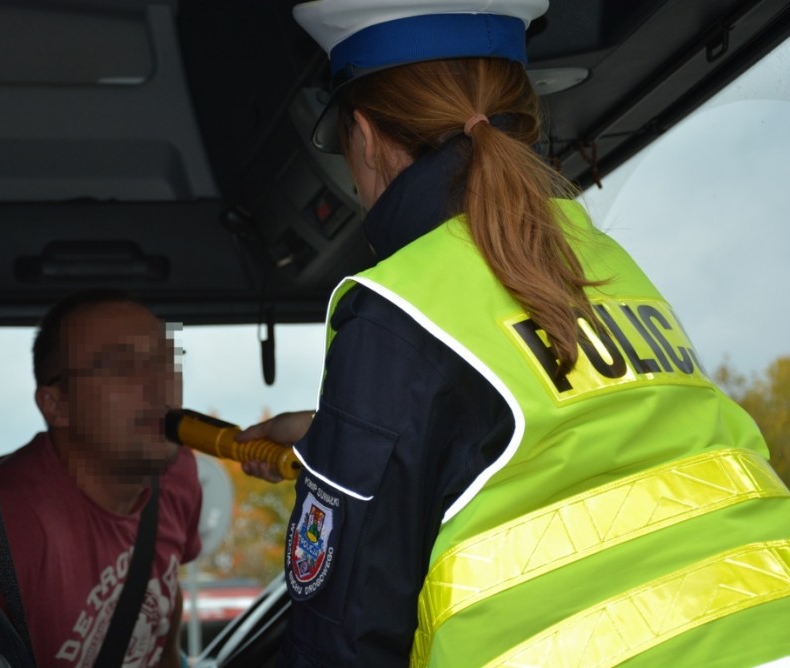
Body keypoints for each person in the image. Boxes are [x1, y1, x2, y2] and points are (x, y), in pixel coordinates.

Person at [236, 1, 790, 666]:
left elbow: (344, 637)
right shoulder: (602, 262)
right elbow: (557, 440)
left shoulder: (396, 309)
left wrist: (353, 452)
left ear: (364, 135)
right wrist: (339, 439)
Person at [0, 290, 202, 668]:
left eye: (165, 362)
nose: (159, 386)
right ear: (56, 405)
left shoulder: (179, 474)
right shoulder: (2, 525)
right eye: (122, 366)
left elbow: (166, 592)